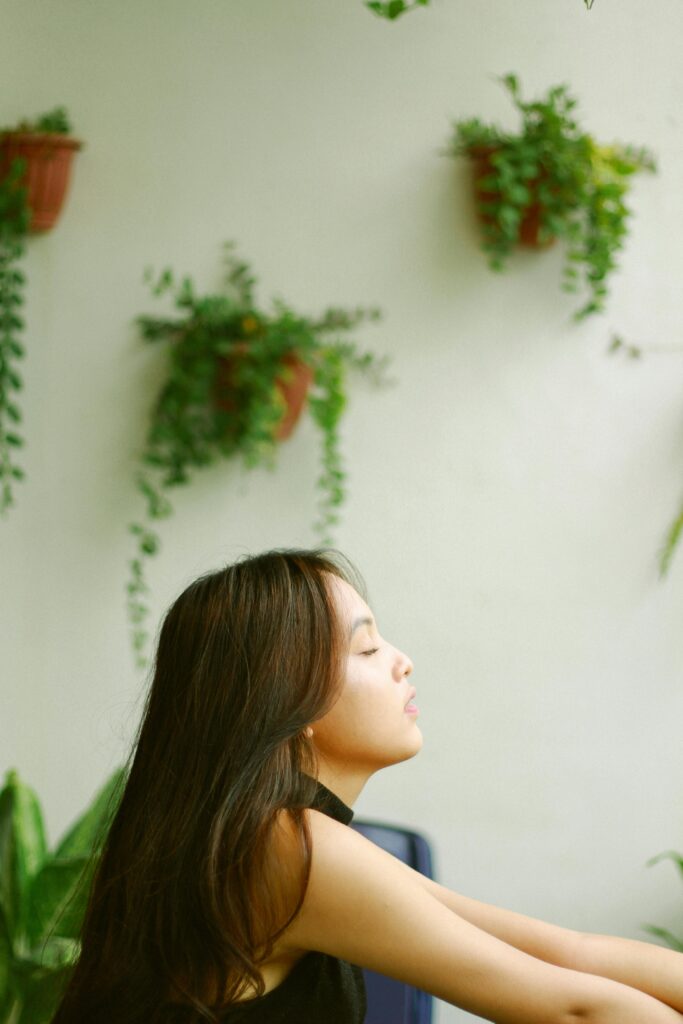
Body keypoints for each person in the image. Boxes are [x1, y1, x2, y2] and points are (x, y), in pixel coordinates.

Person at [52, 548, 683, 1024]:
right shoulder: (287, 848)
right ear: (284, 698)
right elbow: (574, 1009)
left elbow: (567, 953)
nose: (402, 660)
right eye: (366, 649)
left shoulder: (277, 838)